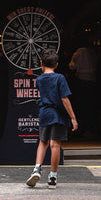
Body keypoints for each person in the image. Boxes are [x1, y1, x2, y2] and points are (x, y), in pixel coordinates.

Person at [26, 49, 78, 189]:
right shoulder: (59, 78)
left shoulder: (39, 79)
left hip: (44, 113)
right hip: (58, 115)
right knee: (55, 145)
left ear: (41, 63)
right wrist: (73, 117)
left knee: (42, 142)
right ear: (56, 65)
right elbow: (64, 99)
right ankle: (53, 177)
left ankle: (37, 168)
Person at [68, 39, 97, 137]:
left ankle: (82, 129)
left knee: (82, 105)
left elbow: (72, 66)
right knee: (91, 105)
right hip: (93, 80)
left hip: (81, 80)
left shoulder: (79, 52)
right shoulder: (93, 52)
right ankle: (90, 129)